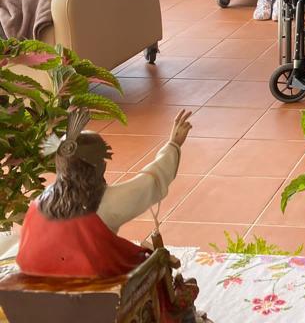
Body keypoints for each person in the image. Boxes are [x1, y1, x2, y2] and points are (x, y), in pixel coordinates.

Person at [17, 108, 198, 299]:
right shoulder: (104, 204)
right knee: (155, 262)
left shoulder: (39, 201)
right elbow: (149, 182)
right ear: (99, 166)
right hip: (89, 293)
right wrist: (173, 144)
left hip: (36, 290)